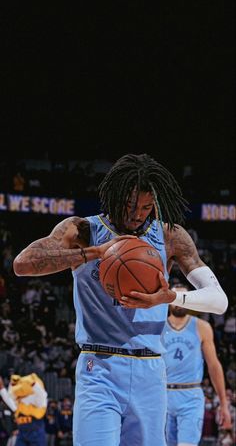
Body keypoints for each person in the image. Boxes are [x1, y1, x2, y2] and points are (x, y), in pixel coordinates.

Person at [12, 153, 229, 446]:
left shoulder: (169, 236)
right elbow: (23, 264)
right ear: (114, 196)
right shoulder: (83, 230)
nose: (137, 214)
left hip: (151, 373)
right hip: (99, 367)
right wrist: (94, 253)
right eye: (129, 206)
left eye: (147, 207)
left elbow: (219, 301)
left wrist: (170, 297)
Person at [161, 284, 231, 446]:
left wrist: (223, 404)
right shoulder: (158, 327)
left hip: (191, 396)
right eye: (175, 298)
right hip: (162, 395)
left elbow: (214, 366)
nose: (179, 302)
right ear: (168, 300)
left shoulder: (202, 327)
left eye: (183, 298)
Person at [0, 373, 48, 446]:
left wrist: (33, 384)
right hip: (22, 433)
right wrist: (1, 388)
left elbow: (42, 395)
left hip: (35, 432)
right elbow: (9, 400)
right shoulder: (19, 404)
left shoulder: (37, 402)